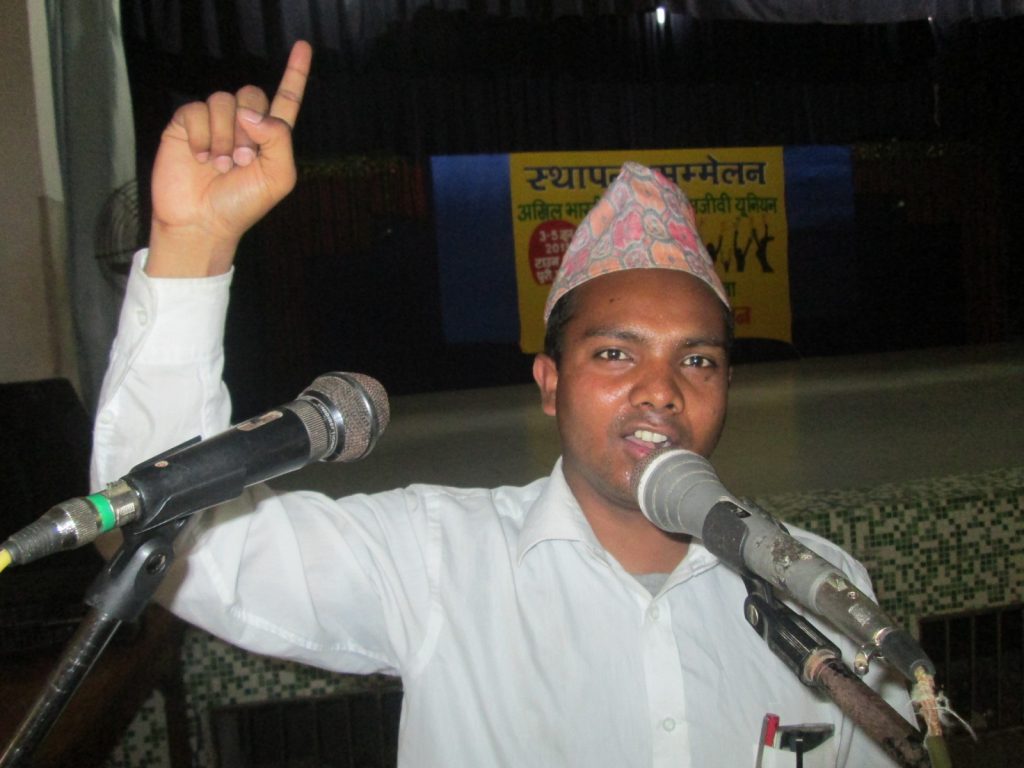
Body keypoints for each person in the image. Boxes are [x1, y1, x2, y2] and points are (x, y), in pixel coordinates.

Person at [91, 41, 912, 767]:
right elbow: (167, 531)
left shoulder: (821, 588)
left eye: (697, 360)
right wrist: (192, 243)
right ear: (549, 384)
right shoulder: (440, 562)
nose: (662, 389)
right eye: (615, 353)